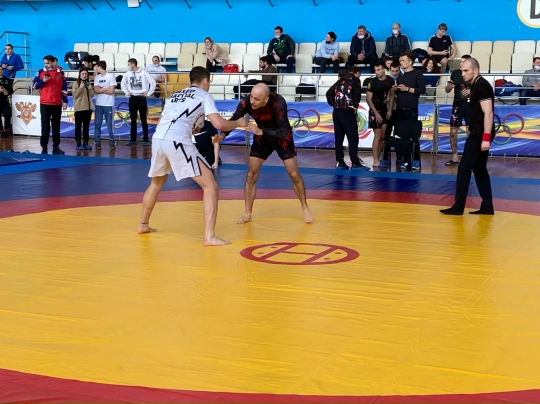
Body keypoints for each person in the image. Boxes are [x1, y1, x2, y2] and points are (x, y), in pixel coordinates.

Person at [139, 66, 247, 246]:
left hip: (158, 139)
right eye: (209, 82)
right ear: (205, 81)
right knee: (210, 185)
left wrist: (190, 129)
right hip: (177, 141)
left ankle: (143, 224)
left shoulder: (175, 95)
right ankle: (210, 237)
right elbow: (219, 124)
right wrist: (238, 122)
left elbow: (167, 120)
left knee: (156, 183)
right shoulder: (204, 95)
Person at [220, 83, 313, 224]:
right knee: (251, 174)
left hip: (282, 138)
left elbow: (283, 132)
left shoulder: (278, 103)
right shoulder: (246, 102)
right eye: (251, 97)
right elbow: (234, 119)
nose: (252, 101)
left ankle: (305, 207)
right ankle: (247, 213)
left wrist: (260, 131)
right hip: (262, 137)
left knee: (294, 174)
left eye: (257, 99)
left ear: (266, 99)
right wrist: (222, 135)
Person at [440, 58, 495, 216]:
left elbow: (489, 113)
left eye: (466, 71)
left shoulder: (482, 86)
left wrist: (485, 138)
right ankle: (487, 206)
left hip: (479, 133)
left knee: (464, 168)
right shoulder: (476, 85)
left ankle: (458, 207)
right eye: (461, 70)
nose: (462, 74)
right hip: (478, 131)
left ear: (475, 70)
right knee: (479, 169)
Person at [326, 69, 368, 170]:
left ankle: (340, 162)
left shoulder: (339, 82)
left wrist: (334, 104)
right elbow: (357, 94)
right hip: (348, 112)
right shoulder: (355, 80)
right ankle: (355, 163)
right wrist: (354, 106)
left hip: (337, 112)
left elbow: (328, 93)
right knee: (352, 138)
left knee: (339, 138)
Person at [394, 52, 426, 170]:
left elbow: (422, 90)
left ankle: (415, 159)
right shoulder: (400, 75)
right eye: (400, 61)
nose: (401, 63)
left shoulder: (417, 73)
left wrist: (407, 89)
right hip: (399, 108)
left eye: (403, 60)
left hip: (411, 108)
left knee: (413, 136)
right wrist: (396, 89)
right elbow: (399, 91)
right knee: (400, 136)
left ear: (410, 62)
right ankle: (403, 158)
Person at [33, 55, 68, 155]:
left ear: (53, 62)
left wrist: (65, 101)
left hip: (57, 103)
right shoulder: (40, 72)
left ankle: (56, 147)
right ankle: (44, 147)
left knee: (56, 126)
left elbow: (64, 88)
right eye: (45, 63)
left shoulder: (60, 73)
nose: (46, 65)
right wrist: (42, 81)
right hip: (45, 103)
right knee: (45, 126)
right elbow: (35, 86)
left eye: (48, 63)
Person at [121, 58, 156, 146]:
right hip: (132, 97)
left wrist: (148, 93)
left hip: (141, 98)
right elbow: (122, 84)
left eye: (129, 64)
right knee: (133, 119)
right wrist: (127, 92)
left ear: (133, 64)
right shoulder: (128, 73)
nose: (128, 66)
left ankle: (145, 139)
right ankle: (133, 139)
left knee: (143, 119)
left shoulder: (144, 72)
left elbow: (153, 83)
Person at [366, 60, 394, 167]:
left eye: (378, 70)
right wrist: (375, 113)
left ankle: (378, 158)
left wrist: (390, 109)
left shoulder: (390, 80)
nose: (376, 72)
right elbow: (368, 99)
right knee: (377, 135)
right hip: (375, 110)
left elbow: (392, 95)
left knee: (382, 136)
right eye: (375, 70)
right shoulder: (372, 82)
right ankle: (375, 160)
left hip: (384, 109)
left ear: (384, 70)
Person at [445, 54, 472, 165]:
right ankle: (455, 157)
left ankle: (469, 157)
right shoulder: (455, 73)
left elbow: (480, 88)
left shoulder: (473, 73)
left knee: (470, 132)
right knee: (453, 132)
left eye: (464, 61)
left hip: (470, 106)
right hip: (457, 105)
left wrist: (471, 91)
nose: (461, 63)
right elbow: (447, 90)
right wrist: (449, 87)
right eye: (461, 61)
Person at [93, 60, 117, 150]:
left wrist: (101, 89)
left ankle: (111, 142)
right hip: (99, 104)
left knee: (109, 124)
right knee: (97, 124)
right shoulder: (97, 77)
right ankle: (97, 141)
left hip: (108, 104)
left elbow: (111, 91)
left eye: (96, 66)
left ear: (99, 67)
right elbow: (96, 90)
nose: (95, 68)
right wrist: (105, 89)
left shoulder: (110, 77)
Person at [71, 67, 94, 150]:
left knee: (86, 126)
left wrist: (90, 88)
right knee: (78, 126)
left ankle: (85, 142)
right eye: (83, 74)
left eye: (85, 74)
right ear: (80, 74)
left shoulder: (88, 83)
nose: (84, 75)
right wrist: (80, 87)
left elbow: (92, 95)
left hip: (88, 108)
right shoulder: (75, 83)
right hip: (79, 108)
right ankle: (78, 143)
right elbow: (75, 95)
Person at [0, 67, 13, 138]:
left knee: (7, 114)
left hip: (5, 100)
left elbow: (11, 91)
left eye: (1, 70)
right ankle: (1, 131)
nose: (0, 71)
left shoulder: (7, 80)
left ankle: (7, 130)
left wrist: (7, 92)